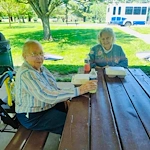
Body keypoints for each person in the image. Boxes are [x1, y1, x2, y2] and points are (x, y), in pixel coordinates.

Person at [15, 40, 97, 135]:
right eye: (34, 54)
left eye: (41, 53)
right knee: (72, 123)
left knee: (77, 111)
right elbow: (48, 96)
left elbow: (52, 87)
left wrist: (65, 98)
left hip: (46, 106)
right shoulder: (27, 74)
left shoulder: (41, 68)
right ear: (25, 56)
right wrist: (80, 89)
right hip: (33, 116)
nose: (39, 57)